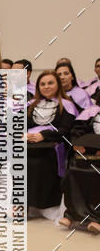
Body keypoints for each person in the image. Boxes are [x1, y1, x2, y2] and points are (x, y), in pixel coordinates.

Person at [26, 70, 77, 220]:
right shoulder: (30, 105)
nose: (46, 86)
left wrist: (44, 135)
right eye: (42, 84)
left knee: (40, 163)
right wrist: (24, 135)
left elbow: (66, 129)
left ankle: (45, 205)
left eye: (50, 83)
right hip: (28, 144)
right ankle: (24, 205)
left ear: (58, 85)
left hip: (52, 146)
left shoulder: (66, 105)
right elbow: (19, 125)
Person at [59, 103, 100, 233]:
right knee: (74, 171)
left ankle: (96, 219)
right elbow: (76, 131)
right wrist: (77, 144)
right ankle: (71, 215)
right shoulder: (92, 111)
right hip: (90, 153)